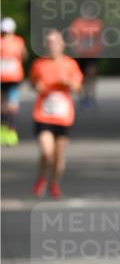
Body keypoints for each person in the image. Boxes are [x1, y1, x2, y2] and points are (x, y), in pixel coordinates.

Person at [29, 30, 83, 199]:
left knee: (59, 155)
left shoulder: (70, 64)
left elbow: (78, 89)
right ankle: (42, 178)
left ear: (62, 45)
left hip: (63, 116)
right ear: (45, 45)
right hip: (43, 114)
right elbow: (32, 83)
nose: (53, 45)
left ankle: (54, 183)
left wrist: (69, 83)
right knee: (47, 152)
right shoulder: (39, 64)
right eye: (50, 42)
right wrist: (37, 86)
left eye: (56, 42)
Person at [68, 1, 104, 109]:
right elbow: (72, 38)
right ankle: (83, 97)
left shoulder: (97, 23)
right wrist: (74, 49)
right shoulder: (77, 23)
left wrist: (100, 49)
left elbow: (102, 38)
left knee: (91, 75)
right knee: (81, 77)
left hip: (93, 54)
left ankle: (91, 97)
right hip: (80, 55)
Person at [1, 16, 28, 146]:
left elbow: (23, 56)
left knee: (9, 105)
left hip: (12, 78)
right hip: (7, 78)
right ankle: (6, 130)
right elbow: (24, 56)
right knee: (6, 105)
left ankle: (9, 131)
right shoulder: (16, 41)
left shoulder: (18, 41)